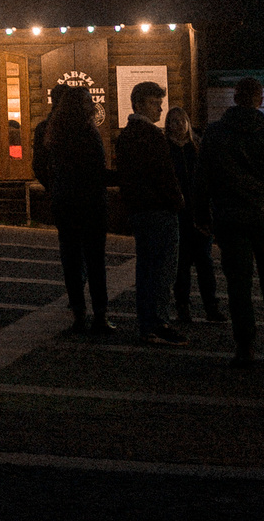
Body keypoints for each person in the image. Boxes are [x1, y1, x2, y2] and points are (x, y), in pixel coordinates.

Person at [199, 77, 264, 366]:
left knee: (238, 285)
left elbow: (201, 178)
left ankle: (245, 347)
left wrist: (202, 215)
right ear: (260, 99)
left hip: (229, 218)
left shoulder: (215, 134)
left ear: (235, 97)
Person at [33, 81, 116, 334]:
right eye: (89, 100)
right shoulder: (88, 133)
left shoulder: (53, 131)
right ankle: (100, 316)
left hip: (64, 202)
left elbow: (42, 166)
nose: (93, 103)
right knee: (95, 261)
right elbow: (96, 172)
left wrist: (54, 188)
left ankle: (79, 314)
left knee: (70, 259)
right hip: (90, 203)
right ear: (83, 106)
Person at [118, 81, 187, 346]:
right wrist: (178, 200)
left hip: (139, 211)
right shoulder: (151, 136)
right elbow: (163, 175)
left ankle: (147, 324)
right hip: (159, 210)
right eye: (154, 102)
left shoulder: (126, 135)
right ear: (139, 104)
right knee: (162, 270)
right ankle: (159, 322)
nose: (160, 108)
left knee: (146, 269)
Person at [166, 106, 222, 325]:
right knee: (181, 266)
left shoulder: (196, 147)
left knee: (205, 264)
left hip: (199, 214)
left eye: (182, 121)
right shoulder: (166, 149)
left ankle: (211, 307)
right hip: (178, 214)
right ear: (168, 125)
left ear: (187, 123)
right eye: (174, 121)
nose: (178, 125)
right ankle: (183, 307)